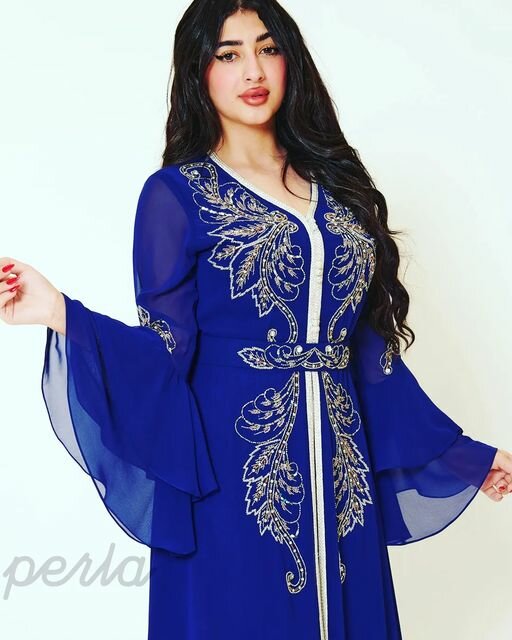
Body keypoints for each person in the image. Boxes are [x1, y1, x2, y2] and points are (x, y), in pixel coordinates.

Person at [1, 1, 511, 638]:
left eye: (268, 49)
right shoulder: (177, 195)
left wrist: (464, 456)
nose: (253, 70)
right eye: (229, 54)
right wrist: (59, 312)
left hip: (341, 479)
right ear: (200, 72)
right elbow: (164, 350)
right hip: (234, 478)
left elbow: (369, 355)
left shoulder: (337, 190)